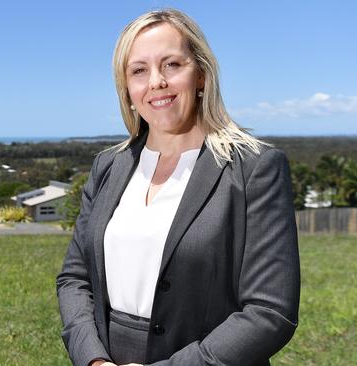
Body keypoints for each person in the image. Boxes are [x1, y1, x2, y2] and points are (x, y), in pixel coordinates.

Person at [56, 8, 300, 366]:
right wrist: (93, 360)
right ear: (126, 88)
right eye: (139, 70)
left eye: (172, 64)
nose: (156, 81)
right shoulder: (107, 166)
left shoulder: (254, 168)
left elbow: (270, 311)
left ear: (201, 74)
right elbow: (74, 278)